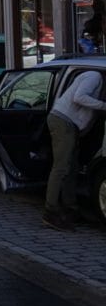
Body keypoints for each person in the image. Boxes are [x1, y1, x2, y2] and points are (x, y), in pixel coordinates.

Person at [43, 70, 106, 230]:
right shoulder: (94, 76)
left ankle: (71, 209)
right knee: (61, 167)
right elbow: (79, 97)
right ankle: (50, 212)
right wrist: (103, 106)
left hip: (71, 126)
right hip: (63, 121)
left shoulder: (97, 82)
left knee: (72, 168)